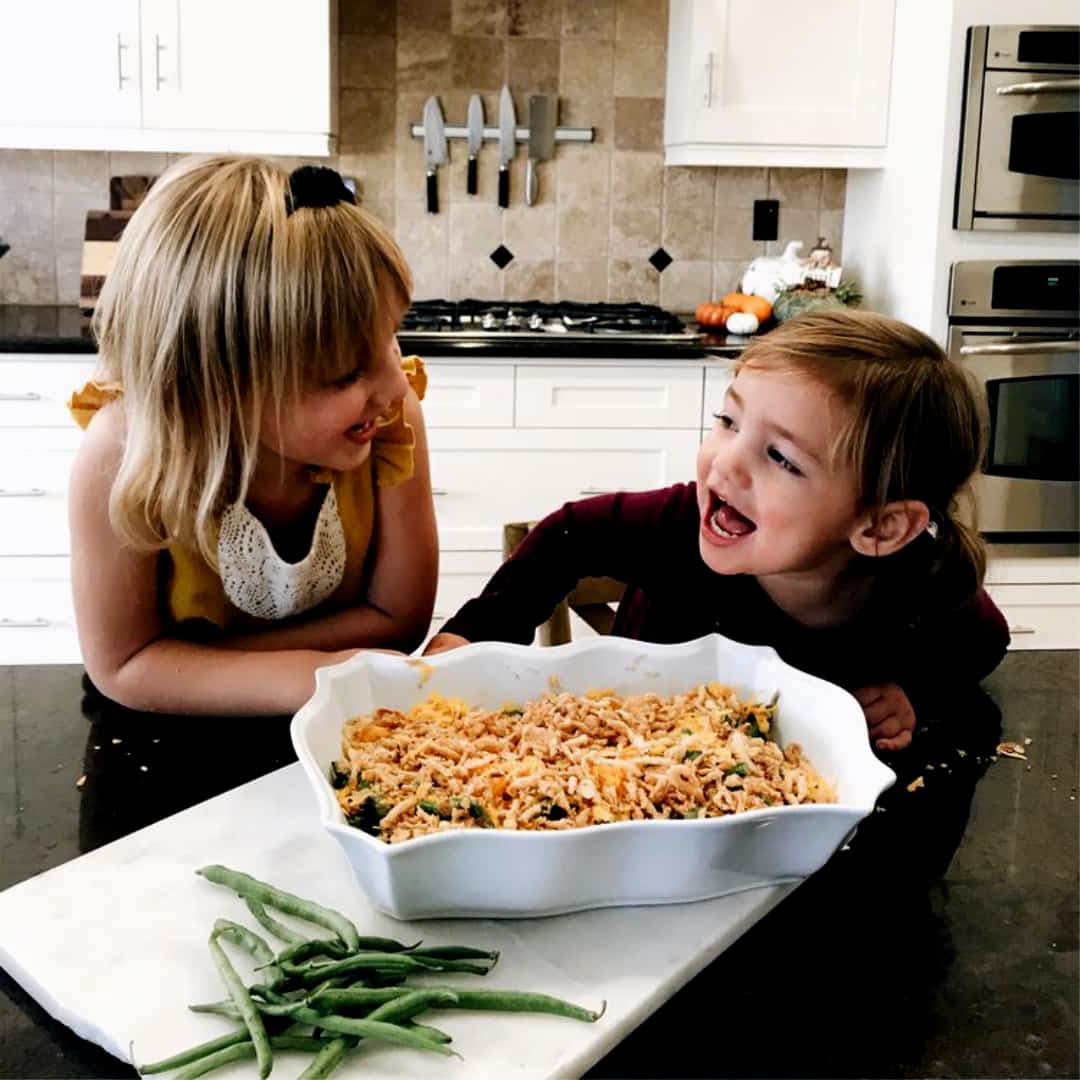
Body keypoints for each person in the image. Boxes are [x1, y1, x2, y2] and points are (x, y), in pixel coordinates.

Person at [425, 309, 1010, 758]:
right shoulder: (676, 525)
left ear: (881, 525)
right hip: (633, 771)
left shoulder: (923, 580)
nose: (726, 463)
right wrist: (477, 634)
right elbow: (568, 534)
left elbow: (983, 644)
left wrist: (910, 692)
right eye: (728, 421)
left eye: (780, 458)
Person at [68, 156, 438, 716]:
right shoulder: (123, 455)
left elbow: (399, 620)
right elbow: (123, 664)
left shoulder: (389, 424)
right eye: (344, 373)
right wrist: (313, 673)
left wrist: (190, 664)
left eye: (390, 340)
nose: (393, 386)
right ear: (212, 385)